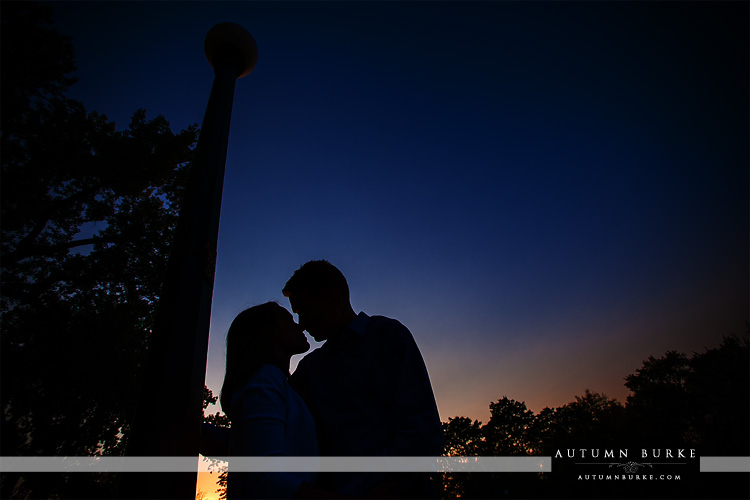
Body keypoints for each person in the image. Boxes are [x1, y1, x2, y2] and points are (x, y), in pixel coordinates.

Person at [284, 260, 445, 498]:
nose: (301, 324)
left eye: (303, 311)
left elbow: (423, 434)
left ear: (332, 296)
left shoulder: (388, 336)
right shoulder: (309, 369)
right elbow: (276, 417)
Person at [219, 301, 337, 499]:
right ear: (268, 332)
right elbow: (267, 482)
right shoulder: (266, 379)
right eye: (289, 319)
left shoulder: (280, 383)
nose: (299, 325)